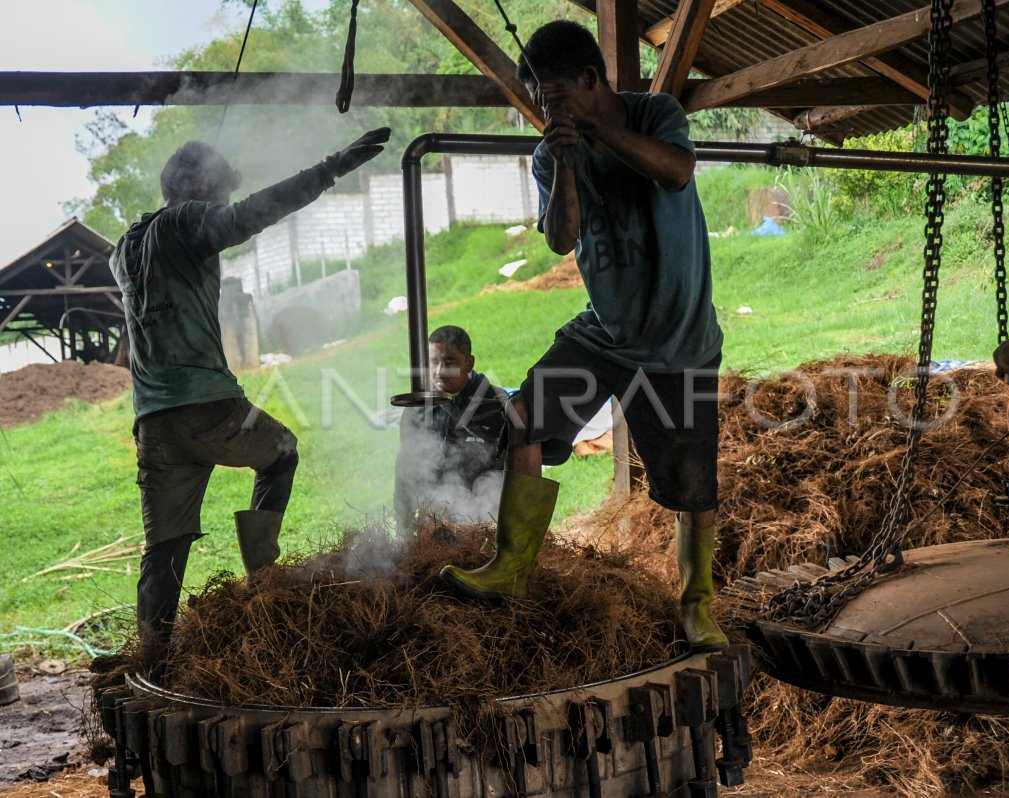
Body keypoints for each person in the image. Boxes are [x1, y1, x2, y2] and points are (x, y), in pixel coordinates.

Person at [439, 21, 727, 650]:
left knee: (692, 486)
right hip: (605, 333)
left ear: (590, 80)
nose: (544, 109)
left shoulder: (656, 114)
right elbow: (562, 237)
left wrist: (598, 131)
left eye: (552, 95)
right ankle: (511, 569)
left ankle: (698, 603)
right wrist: (568, 157)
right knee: (523, 417)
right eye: (539, 98)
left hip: (678, 341)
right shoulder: (549, 154)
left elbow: (677, 171)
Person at [110, 128, 390, 663]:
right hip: (208, 405)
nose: (222, 202)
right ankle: (265, 581)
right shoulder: (186, 219)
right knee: (281, 452)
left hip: (154, 422)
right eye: (217, 191)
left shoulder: (124, 249)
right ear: (194, 185)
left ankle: (152, 658)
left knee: (164, 548)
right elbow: (250, 215)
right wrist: (332, 165)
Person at [394, 325, 509, 527]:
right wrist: (404, 529)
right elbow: (406, 471)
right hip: (434, 520)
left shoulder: (496, 404)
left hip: (486, 518)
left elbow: (513, 471)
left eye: (449, 362)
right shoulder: (417, 409)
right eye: (433, 362)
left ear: (468, 363)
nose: (439, 371)